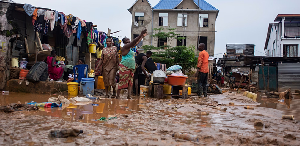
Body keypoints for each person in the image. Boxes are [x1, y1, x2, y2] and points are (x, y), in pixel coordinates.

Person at [117, 29, 147, 99]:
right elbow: (133, 42)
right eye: (127, 41)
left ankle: (129, 96)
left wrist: (142, 36)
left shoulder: (131, 49)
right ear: (124, 43)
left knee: (130, 82)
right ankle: (118, 96)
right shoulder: (125, 47)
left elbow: (135, 43)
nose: (128, 42)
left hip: (131, 67)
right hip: (124, 66)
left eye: (129, 41)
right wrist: (140, 34)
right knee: (122, 82)